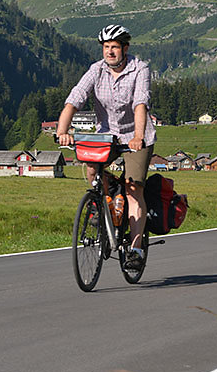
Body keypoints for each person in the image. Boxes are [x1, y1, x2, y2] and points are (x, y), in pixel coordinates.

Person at [56, 25, 155, 271]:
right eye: (106, 47)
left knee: (133, 189)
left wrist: (138, 136)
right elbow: (74, 99)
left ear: (125, 49)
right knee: (92, 171)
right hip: (107, 136)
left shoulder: (139, 69)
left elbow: (140, 103)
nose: (110, 52)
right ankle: (104, 206)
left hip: (136, 136)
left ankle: (135, 248)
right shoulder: (96, 70)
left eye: (114, 47)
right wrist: (62, 131)